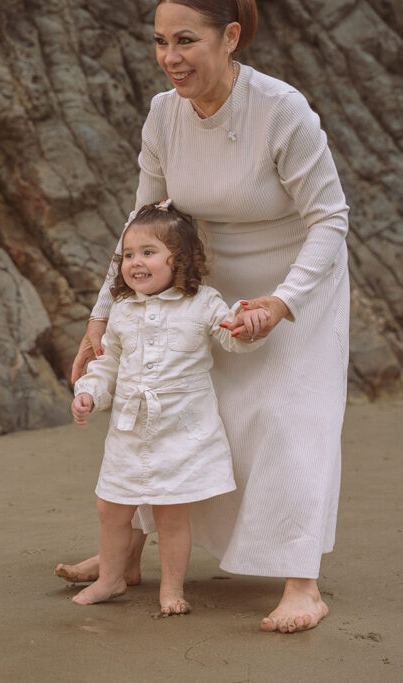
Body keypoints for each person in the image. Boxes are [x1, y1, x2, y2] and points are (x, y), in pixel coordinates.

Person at [59, 0, 350, 634]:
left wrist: (281, 301)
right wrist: (99, 320)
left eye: (186, 40)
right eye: (161, 41)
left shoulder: (282, 110)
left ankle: (303, 584)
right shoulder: (164, 114)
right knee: (172, 403)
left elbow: (330, 218)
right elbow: (142, 225)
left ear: (231, 37)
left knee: (288, 415)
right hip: (203, 280)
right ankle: (126, 555)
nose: (171, 58)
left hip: (295, 273)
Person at [70, 201, 267, 615]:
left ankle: (172, 589)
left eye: (148, 252)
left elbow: (231, 337)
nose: (135, 263)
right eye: (127, 255)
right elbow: (107, 363)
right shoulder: (122, 311)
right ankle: (111, 578)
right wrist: (90, 392)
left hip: (181, 429)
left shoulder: (203, 302)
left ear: (178, 260)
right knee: (111, 507)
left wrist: (247, 326)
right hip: (130, 431)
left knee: (171, 515)